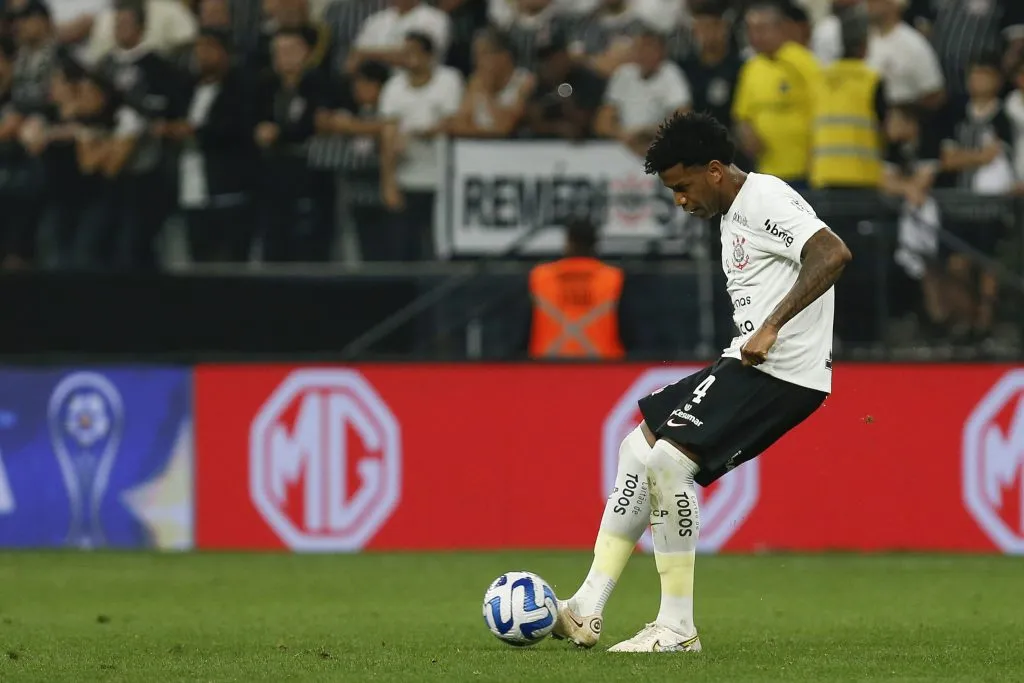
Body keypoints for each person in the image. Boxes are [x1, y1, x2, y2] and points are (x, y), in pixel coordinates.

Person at [551, 111, 851, 652]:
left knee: (668, 463)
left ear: (715, 170)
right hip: (749, 359)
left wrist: (772, 326)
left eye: (683, 187)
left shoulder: (764, 200)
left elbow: (831, 252)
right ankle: (586, 605)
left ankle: (676, 627)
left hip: (783, 370)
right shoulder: (734, 211)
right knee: (637, 448)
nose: (680, 201)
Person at [527, 218, 625, 360]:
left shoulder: (540, 277)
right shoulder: (613, 278)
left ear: (568, 243)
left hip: (546, 368)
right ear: (595, 244)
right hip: (604, 369)